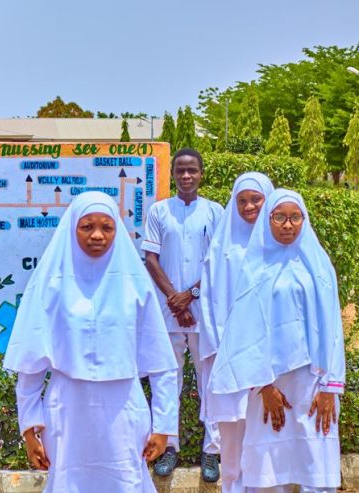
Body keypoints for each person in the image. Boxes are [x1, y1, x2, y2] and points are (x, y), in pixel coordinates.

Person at [4, 191, 179, 493]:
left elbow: (161, 363)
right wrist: (30, 428)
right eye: (87, 227)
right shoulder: (51, 284)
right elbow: (31, 364)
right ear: (72, 228)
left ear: (117, 231)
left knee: (125, 482)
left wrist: (163, 427)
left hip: (123, 410)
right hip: (68, 411)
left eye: (106, 227)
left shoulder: (136, 286)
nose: (97, 235)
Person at [209, 189, 345, 493]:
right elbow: (243, 331)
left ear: (304, 220)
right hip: (269, 385)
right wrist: (263, 386)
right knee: (268, 470)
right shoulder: (254, 267)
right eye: (280, 217)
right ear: (268, 220)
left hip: (313, 380)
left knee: (316, 461)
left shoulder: (319, 267)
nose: (287, 225)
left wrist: (328, 388)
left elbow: (333, 327)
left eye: (295, 217)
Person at [141, 148, 223, 480]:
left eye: (192, 170)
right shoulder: (159, 211)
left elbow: (219, 263)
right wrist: (176, 300)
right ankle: (167, 447)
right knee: (167, 382)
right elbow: (150, 259)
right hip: (167, 312)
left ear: (202, 174)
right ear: (173, 175)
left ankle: (212, 451)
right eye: (180, 171)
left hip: (204, 312)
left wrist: (191, 296)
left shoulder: (215, 212)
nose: (186, 176)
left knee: (211, 383)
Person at [198, 172, 274, 493]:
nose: (248, 206)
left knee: (266, 445)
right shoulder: (222, 246)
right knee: (231, 448)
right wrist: (220, 349)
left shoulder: (278, 245)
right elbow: (209, 299)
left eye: (256, 199)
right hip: (228, 356)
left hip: (267, 361)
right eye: (241, 200)